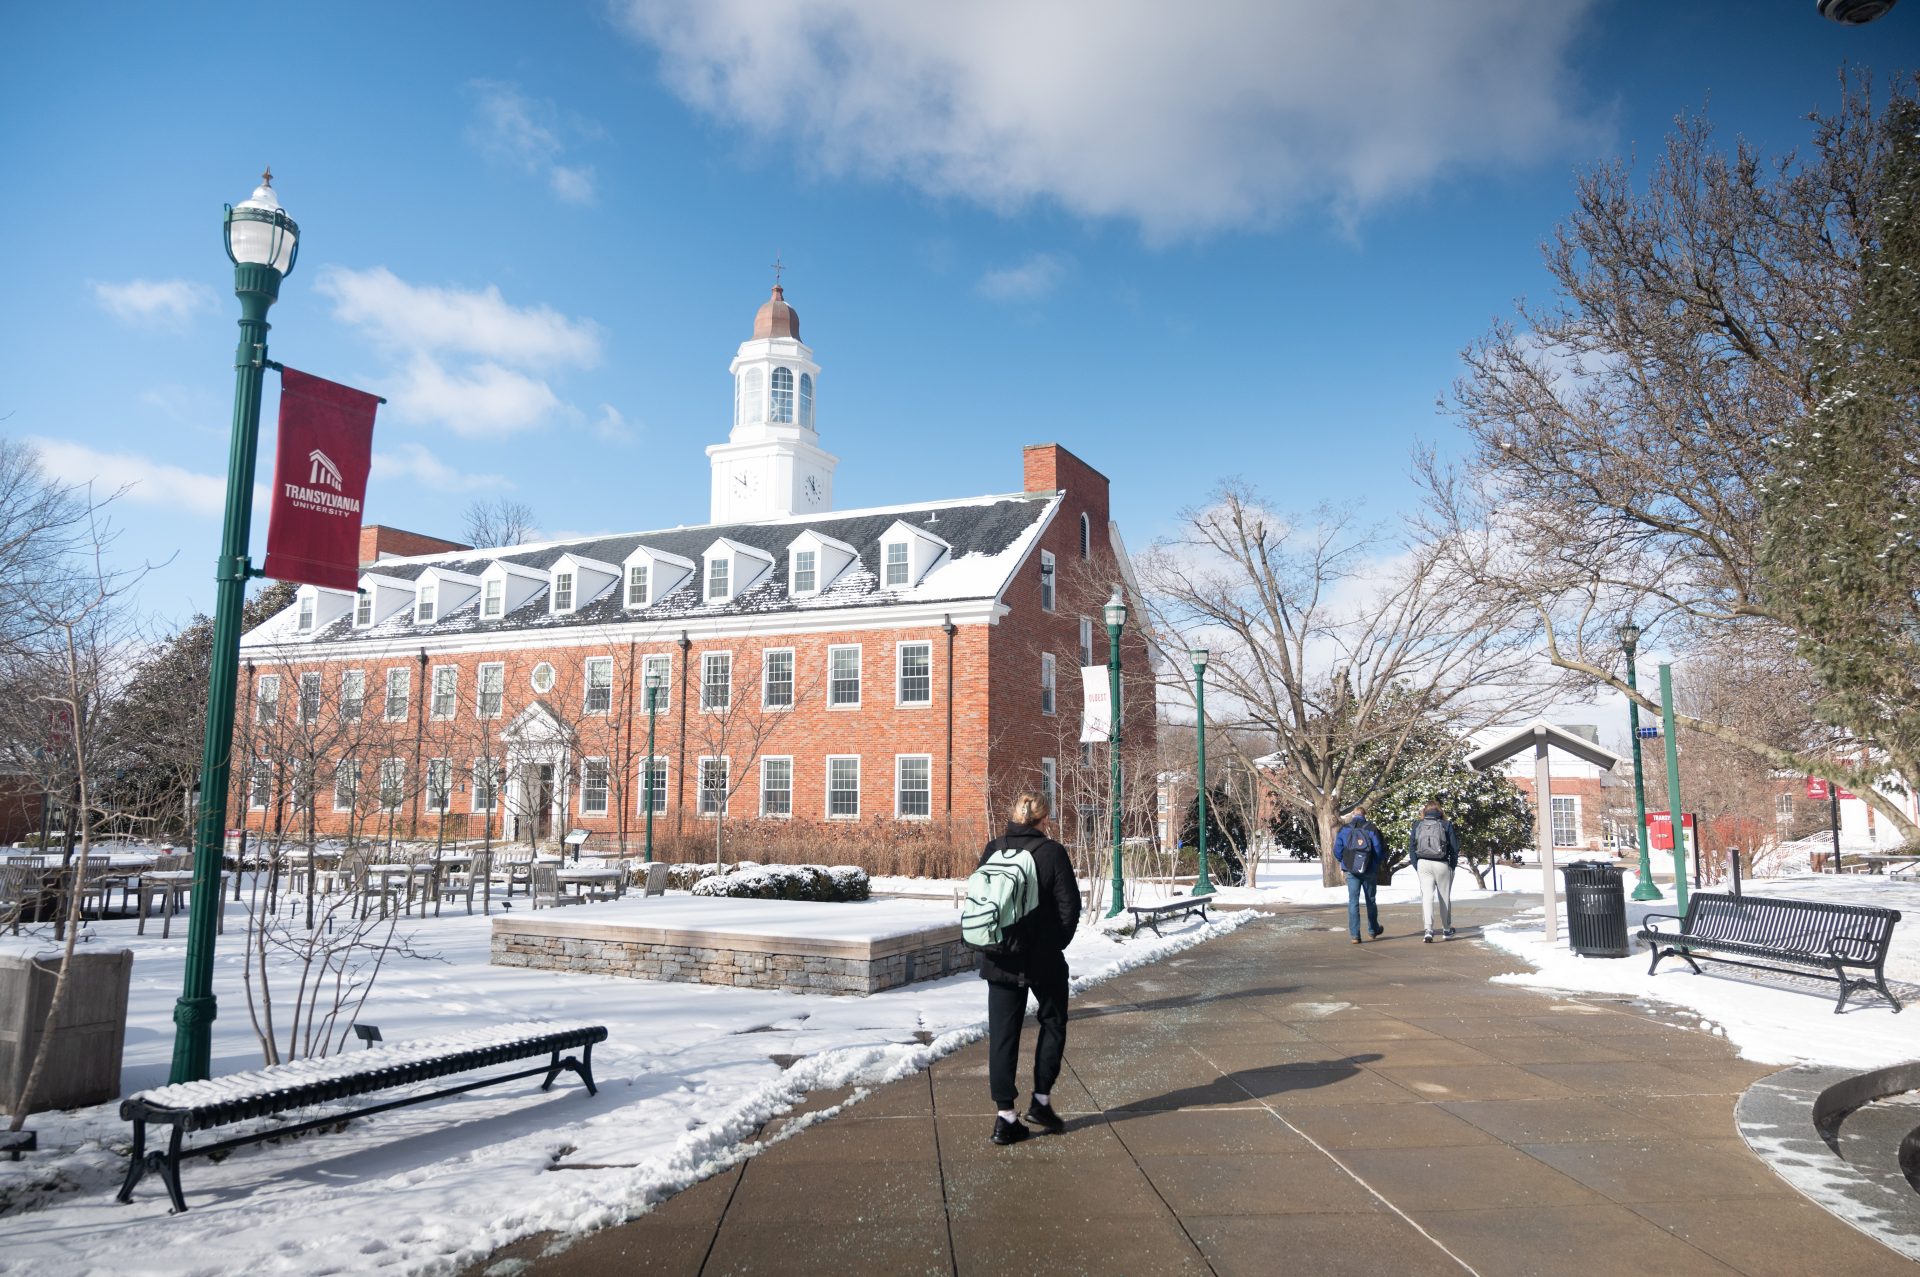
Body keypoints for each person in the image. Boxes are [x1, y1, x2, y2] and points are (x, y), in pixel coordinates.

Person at [979, 791, 1081, 1145]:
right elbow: (1070, 908)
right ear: (1044, 819)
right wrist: (1054, 945)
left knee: (1003, 1036)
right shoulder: (1051, 852)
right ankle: (1041, 1101)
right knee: (1053, 1022)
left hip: (999, 957)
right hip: (1042, 959)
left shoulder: (995, 848)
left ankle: (1005, 1117)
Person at [1408, 798, 1461, 942]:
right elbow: (1455, 848)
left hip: (1423, 864)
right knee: (1444, 897)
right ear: (1440, 811)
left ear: (1424, 811)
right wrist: (1452, 866)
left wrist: (1416, 864)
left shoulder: (1418, 824)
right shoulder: (1446, 824)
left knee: (1427, 897)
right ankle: (1446, 929)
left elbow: (1412, 847)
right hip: (1442, 864)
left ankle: (1428, 930)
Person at [1334, 806, 1384, 943]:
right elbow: (1379, 849)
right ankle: (1373, 930)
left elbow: (1337, 850)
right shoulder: (1371, 828)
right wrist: (1375, 863)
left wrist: (1344, 862)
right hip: (1369, 869)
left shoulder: (1344, 829)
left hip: (1351, 870)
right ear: (1364, 815)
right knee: (1371, 900)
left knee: (1353, 902)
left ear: (1353, 815)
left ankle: (1355, 935)